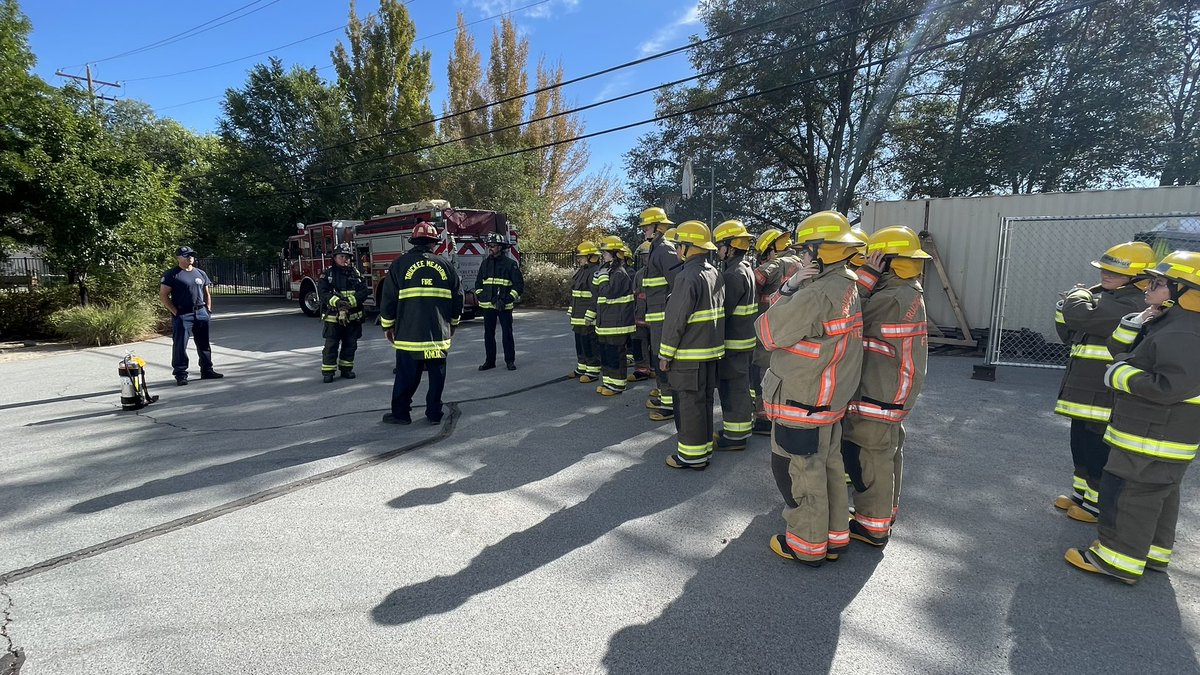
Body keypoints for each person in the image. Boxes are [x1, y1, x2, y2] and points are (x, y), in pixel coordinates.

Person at [1066, 250, 1200, 584]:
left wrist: (1118, 375)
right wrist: (1134, 323)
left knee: (1130, 492)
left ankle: (1117, 559)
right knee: (1158, 493)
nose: (1148, 287)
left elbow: (1168, 386)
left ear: (1183, 290)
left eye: (1157, 282)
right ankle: (1151, 553)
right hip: (1160, 432)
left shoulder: (1184, 333)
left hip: (1153, 433)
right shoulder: (1171, 321)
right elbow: (1119, 350)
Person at [756, 211, 864, 567]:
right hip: (829, 398)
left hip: (802, 398)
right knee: (828, 468)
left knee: (802, 475)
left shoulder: (816, 294)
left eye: (806, 250)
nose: (801, 256)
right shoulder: (849, 285)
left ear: (819, 252)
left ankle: (806, 545)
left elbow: (767, 331)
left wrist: (788, 288)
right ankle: (834, 538)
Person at [1051, 242, 1156, 523]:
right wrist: (1066, 306)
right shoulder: (1109, 296)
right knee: (1081, 442)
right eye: (1104, 269)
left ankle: (1096, 505)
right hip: (1085, 387)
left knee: (1098, 447)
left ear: (1138, 277)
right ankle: (1081, 495)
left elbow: (1084, 316)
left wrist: (1078, 295)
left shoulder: (1132, 301)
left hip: (1103, 389)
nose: (1106, 275)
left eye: (1114, 272)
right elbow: (1070, 330)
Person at [841, 226, 931, 547]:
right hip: (895, 392)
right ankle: (886, 513)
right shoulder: (909, 291)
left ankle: (872, 527)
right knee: (889, 453)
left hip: (879, 394)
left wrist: (863, 276)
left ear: (886, 259)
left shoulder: (891, 297)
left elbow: (849, 312)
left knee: (870, 457)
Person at [379, 222, 464, 425]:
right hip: (437, 335)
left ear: (413, 242)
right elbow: (458, 298)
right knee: (437, 376)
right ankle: (434, 413)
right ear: (433, 244)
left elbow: (388, 299)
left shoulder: (399, 264)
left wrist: (387, 326)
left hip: (409, 335)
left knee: (406, 375)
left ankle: (401, 414)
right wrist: (453, 324)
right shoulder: (446, 266)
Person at [660, 221, 725, 470]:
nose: (677, 250)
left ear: (687, 247)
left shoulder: (686, 276)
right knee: (704, 402)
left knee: (689, 405)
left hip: (688, 355)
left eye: (679, 245)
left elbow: (676, 320)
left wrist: (665, 354)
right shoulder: (714, 272)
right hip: (711, 354)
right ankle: (704, 448)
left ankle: (691, 456)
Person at [750, 227, 802, 434]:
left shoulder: (776, 264)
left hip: (770, 325)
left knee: (762, 369)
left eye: (763, 255)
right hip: (793, 326)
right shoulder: (800, 263)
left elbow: (751, 281)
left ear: (771, 250)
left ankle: (763, 417)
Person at [712, 220, 757, 451]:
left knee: (733, 387)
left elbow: (723, 310)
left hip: (733, 342)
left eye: (720, 245)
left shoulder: (732, 274)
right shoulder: (745, 267)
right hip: (745, 340)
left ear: (730, 246)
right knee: (740, 384)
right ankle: (737, 427)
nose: (718, 250)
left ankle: (735, 436)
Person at [159, 245, 223, 385]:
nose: (190, 258)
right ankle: (181, 374)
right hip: (183, 313)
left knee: (204, 344)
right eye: (186, 255)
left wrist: (208, 310)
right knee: (180, 345)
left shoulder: (200, 273)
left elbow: (206, 293)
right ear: (178, 258)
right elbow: (163, 296)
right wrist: (175, 312)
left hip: (201, 312)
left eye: (191, 255)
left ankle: (207, 370)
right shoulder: (172, 274)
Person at [640, 207, 682, 420]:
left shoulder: (664, 250)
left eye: (647, 226)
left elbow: (677, 284)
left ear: (658, 227)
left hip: (664, 317)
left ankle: (670, 404)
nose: (644, 230)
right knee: (658, 356)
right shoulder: (656, 248)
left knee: (664, 358)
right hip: (656, 316)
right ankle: (665, 396)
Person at [317, 242, 370, 383]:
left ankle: (346, 369)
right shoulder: (327, 274)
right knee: (331, 345)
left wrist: (350, 302)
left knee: (350, 344)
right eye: (341, 256)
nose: (345, 259)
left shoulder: (355, 273)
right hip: (334, 318)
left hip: (353, 317)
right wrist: (338, 303)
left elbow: (364, 291)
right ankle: (328, 372)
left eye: (347, 257)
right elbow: (323, 293)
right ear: (334, 257)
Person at [594, 236, 636, 396]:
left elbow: (608, 292)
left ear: (615, 254)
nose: (603, 255)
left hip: (617, 322)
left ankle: (618, 385)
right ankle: (608, 382)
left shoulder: (619, 273)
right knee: (606, 353)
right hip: (606, 321)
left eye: (605, 252)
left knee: (615, 354)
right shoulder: (609, 271)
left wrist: (602, 277)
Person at [476, 232, 524, 371]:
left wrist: (507, 299)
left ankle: (510, 361)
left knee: (507, 334)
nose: (490, 248)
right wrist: (482, 296)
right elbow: (478, 284)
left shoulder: (510, 264)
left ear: (501, 247)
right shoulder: (485, 264)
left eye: (493, 245)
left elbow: (518, 285)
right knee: (488, 334)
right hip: (488, 306)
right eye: (489, 245)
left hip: (504, 305)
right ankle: (489, 361)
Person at [568, 240, 602, 383]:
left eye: (581, 257)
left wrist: (591, 314)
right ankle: (582, 367)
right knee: (580, 342)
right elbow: (575, 293)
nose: (579, 259)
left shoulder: (594, 272)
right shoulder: (582, 271)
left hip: (587, 316)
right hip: (578, 315)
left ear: (590, 257)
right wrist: (572, 310)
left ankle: (592, 371)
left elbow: (596, 296)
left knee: (590, 343)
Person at [628, 240, 655, 383]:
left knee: (655, 344)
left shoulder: (661, 272)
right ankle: (641, 369)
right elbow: (634, 293)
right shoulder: (639, 274)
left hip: (655, 314)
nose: (645, 259)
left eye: (647, 255)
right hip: (640, 314)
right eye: (643, 256)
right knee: (639, 341)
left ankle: (654, 368)